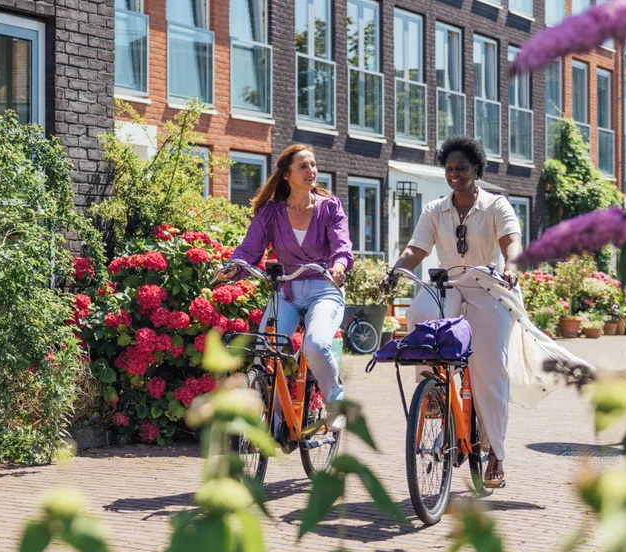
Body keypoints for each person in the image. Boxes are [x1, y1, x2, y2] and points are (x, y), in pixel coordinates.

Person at [387, 136, 522, 489]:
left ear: (476, 169)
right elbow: (416, 249)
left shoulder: (496, 206)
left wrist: (511, 266)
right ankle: (431, 389)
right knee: (418, 313)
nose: (454, 174)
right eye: (449, 169)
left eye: (461, 168)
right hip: (447, 284)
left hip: (488, 286)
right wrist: (396, 269)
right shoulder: (435, 210)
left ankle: (495, 453)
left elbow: (512, 243)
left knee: (489, 368)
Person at [216, 144, 353, 431]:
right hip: (287, 292)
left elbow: (342, 247)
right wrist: (231, 268)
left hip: (325, 289)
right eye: (303, 166)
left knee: (315, 346)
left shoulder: (330, 207)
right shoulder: (271, 213)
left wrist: (339, 267)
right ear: (287, 175)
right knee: (265, 353)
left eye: (313, 165)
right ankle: (276, 420)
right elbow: (249, 250)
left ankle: (334, 400)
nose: (311, 171)